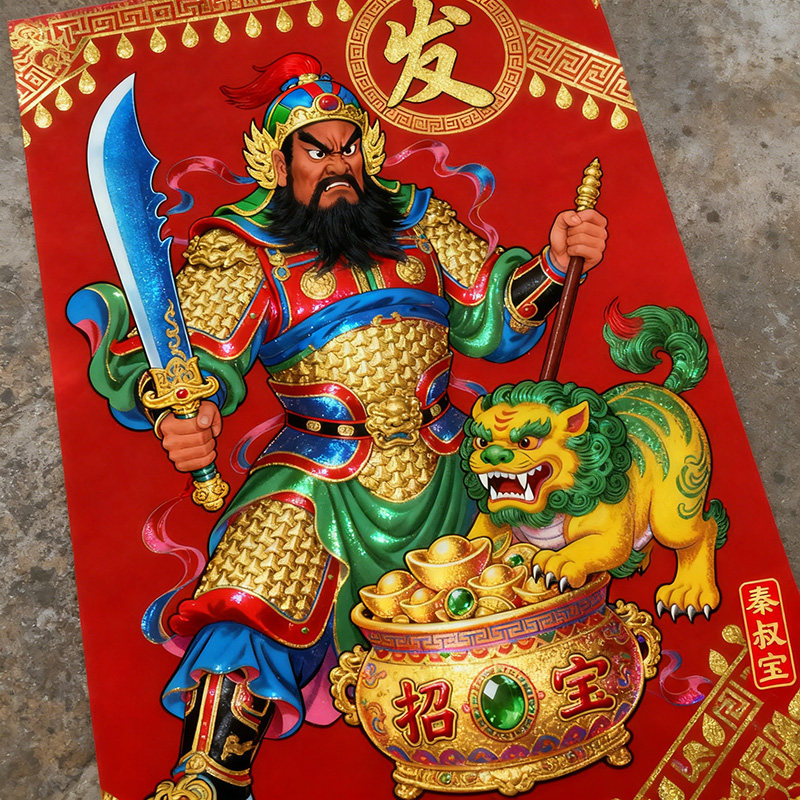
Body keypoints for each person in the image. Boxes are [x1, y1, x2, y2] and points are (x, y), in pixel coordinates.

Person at [81, 53, 607, 800]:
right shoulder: (243, 246)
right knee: (252, 575)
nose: (337, 165)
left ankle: (556, 716)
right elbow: (190, 360)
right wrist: (187, 414)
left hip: (450, 451)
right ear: (278, 161)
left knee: (566, 522)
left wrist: (554, 263)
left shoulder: (419, 219)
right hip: (319, 472)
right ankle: (211, 774)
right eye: (316, 150)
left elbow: (489, 317)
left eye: (349, 146)